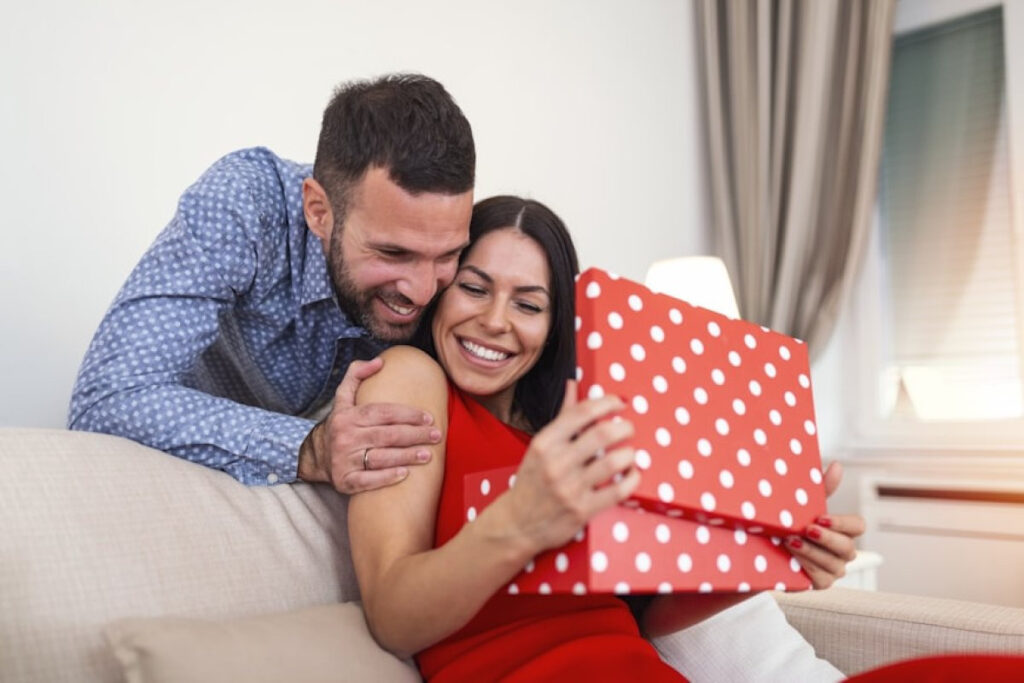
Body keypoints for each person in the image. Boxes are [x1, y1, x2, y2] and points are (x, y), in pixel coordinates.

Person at [348, 196, 863, 681]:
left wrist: (776, 556)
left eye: (528, 306)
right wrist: (520, 518)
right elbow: (393, 619)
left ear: (554, 327)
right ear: (440, 290)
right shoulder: (412, 376)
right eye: (475, 288)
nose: (495, 320)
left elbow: (647, 616)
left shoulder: (574, 431)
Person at [68, 73, 475, 494]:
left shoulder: (473, 259)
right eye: (393, 253)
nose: (425, 290)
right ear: (318, 211)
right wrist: (310, 448)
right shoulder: (245, 204)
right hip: (163, 478)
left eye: (447, 255)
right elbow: (105, 400)